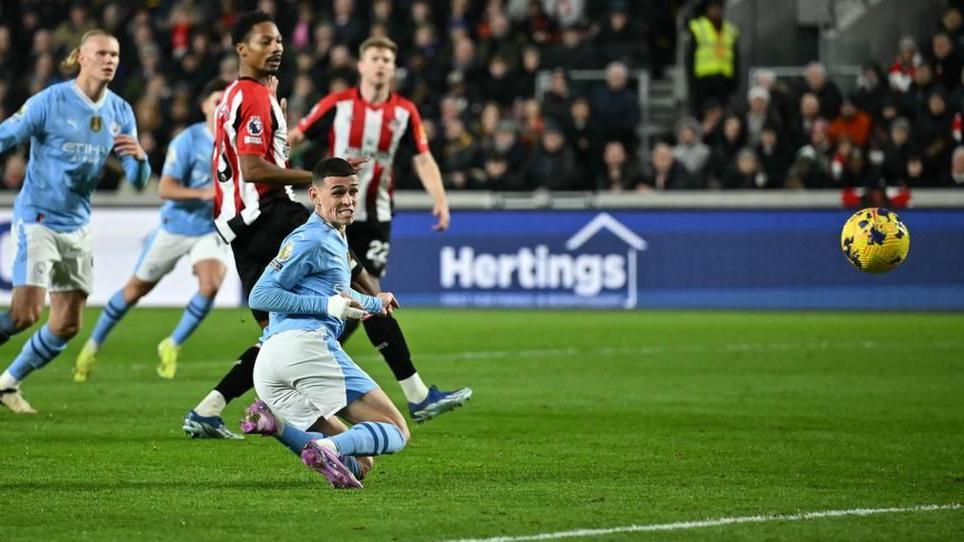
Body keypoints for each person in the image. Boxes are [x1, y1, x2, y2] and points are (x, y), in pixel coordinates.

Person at [289, 36, 471, 422]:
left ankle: (302, 366)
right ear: (361, 65)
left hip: (376, 219)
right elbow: (295, 138)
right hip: (332, 219)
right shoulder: (336, 105)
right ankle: (416, 394)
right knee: (367, 299)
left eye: (388, 59)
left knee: (362, 300)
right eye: (374, 58)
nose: (381, 65)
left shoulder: (404, 111)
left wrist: (440, 199)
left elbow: (423, 158)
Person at [0, 29, 151, 413]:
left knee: (67, 324)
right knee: (25, 313)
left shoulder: (120, 111)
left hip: (79, 224)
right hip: (38, 216)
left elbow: (136, 180)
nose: (110, 60)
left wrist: (140, 159)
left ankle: (7, 383)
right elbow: (6, 135)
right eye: (101, 53)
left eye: (115, 54)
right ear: (81, 57)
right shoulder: (50, 101)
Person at [240, 157, 409, 489]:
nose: (347, 200)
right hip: (305, 348)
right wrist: (327, 305)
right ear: (315, 195)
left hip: (272, 363)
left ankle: (275, 425)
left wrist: (377, 302)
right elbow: (260, 295)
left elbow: (337, 295)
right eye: (337, 193)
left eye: (352, 192)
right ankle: (323, 448)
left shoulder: (331, 236)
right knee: (396, 430)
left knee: (361, 462)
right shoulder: (311, 238)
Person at [72, 79, 230, 383]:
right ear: (205, 105)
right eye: (217, 101)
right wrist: (203, 194)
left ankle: (172, 344)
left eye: (227, 101)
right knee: (134, 291)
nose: (222, 107)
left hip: (210, 230)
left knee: (211, 285)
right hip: (176, 227)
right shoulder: (187, 141)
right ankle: (92, 346)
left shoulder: (235, 143)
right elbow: (166, 188)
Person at [686, 0, 740, 114]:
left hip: (723, 79)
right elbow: (690, 57)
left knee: (723, 113)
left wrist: (735, 80)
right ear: (707, 10)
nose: (715, 12)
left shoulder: (730, 30)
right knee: (700, 112)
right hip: (702, 79)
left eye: (718, 9)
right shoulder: (699, 27)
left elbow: (736, 58)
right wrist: (691, 81)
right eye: (712, 8)